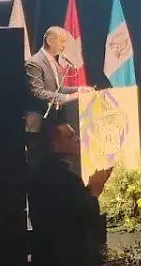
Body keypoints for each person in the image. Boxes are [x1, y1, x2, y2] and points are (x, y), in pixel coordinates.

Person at [27, 121, 110, 266]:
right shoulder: (66, 179)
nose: (77, 139)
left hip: (50, 264)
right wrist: (94, 190)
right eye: (70, 136)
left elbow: (68, 207)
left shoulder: (39, 175)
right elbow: (85, 216)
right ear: (54, 146)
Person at [26, 27, 92, 164]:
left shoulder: (54, 62)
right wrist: (68, 97)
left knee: (53, 162)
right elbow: (37, 92)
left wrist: (79, 89)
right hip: (39, 123)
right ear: (49, 41)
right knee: (39, 162)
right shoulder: (34, 63)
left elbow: (58, 89)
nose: (64, 45)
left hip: (53, 121)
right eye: (61, 41)